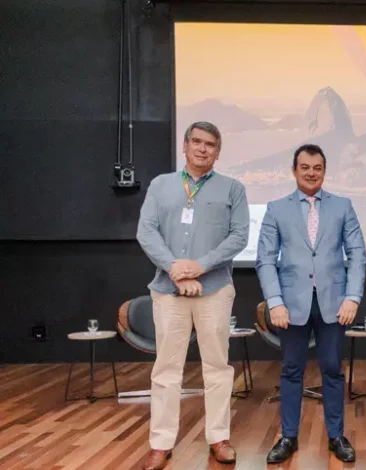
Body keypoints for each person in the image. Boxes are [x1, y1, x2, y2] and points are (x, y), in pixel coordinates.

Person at [136, 121, 249, 470]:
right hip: (168, 292)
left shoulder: (233, 189)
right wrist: (175, 269)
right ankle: (161, 443)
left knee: (217, 367)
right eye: (197, 142)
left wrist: (197, 267)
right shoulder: (161, 185)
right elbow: (147, 231)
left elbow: (239, 236)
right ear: (184, 146)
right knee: (167, 368)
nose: (203, 149)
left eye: (211, 144)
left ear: (218, 152)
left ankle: (219, 437)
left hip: (214, 291)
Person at [256, 143, 366, 464]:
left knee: (332, 370)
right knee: (291, 370)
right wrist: (275, 302)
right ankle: (288, 436)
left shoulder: (343, 206)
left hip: (335, 303)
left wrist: (353, 296)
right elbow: (265, 259)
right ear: (294, 170)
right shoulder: (276, 209)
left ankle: (336, 436)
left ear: (324, 170)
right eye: (305, 167)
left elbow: (358, 254)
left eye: (317, 168)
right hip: (290, 305)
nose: (311, 173)